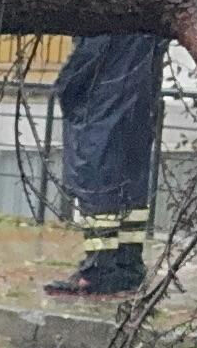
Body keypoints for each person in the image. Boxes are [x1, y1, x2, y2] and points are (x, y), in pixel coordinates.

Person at [45, 32, 164, 297]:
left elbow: (87, 60)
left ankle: (99, 269)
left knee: (99, 184)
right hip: (139, 101)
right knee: (131, 183)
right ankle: (128, 266)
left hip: (104, 102)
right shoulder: (148, 19)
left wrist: (65, 86)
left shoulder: (109, 15)